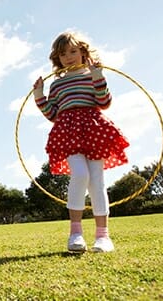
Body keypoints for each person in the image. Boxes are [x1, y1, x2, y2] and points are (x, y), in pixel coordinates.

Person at [33, 31, 129, 253]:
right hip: (67, 130)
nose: (68, 57)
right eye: (63, 54)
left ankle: (103, 236)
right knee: (80, 173)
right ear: (58, 58)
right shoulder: (57, 84)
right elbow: (53, 114)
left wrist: (98, 76)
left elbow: (104, 102)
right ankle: (75, 233)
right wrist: (39, 94)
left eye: (73, 51)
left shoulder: (91, 75)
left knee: (97, 180)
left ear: (84, 52)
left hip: (93, 129)